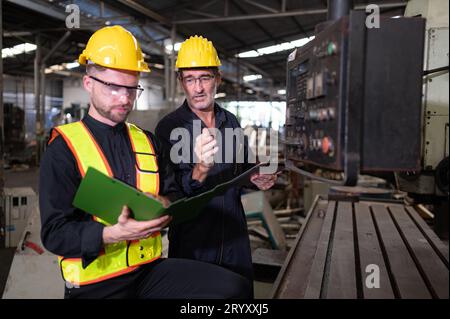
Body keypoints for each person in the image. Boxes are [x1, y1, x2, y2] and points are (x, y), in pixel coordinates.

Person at [39, 26, 251, 299]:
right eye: (113, 87)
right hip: (97, 285)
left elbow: (176, 194)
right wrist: (109, 234)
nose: (125, 98)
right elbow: (55, 234)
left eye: (131, 88)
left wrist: (164, 204)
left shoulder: (149, 143)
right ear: (88, 83)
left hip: (148, 272)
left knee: (235, 289)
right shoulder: (64, 148)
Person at [155, 35, 278, 288]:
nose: (198, 88)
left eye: (205, 78)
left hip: (234, 238)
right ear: (181, 82)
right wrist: (199, 170)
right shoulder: (169, 128)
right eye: (190, 79)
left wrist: (257, 178)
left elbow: (242, 171)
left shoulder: (230, 121)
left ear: (218, 79)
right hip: (194, 244)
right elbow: (169, 196)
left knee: (239, 295)